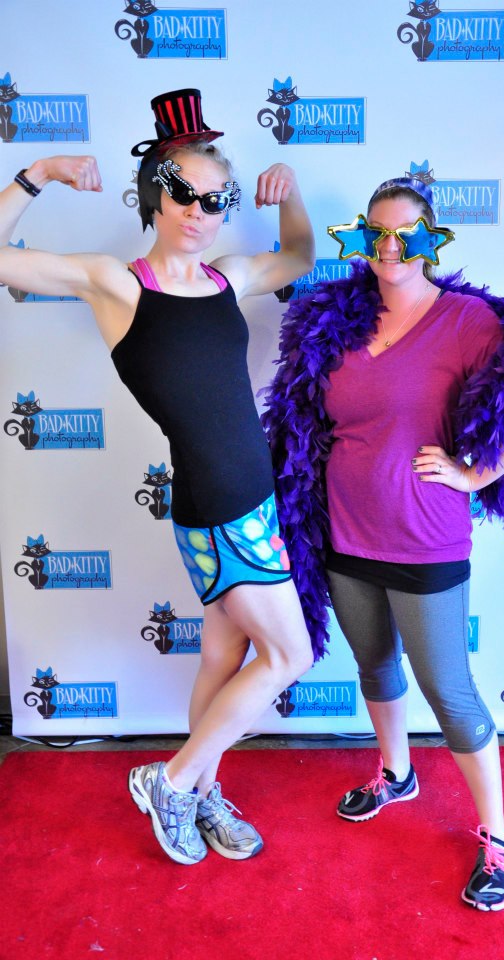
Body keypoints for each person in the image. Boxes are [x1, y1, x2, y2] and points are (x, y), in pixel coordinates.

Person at [0, 89, 315, 866]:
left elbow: (299, 258)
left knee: (223, 657)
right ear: (155, 194)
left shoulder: (228, 277)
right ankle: (171, 781)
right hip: (222, 504)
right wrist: (37, 172)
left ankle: (201, 794)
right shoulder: (117, 283)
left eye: (218, 199)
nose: (201, 211)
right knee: (290, 657)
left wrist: (290, 194)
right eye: (185, 193)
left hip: (248, 500)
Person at [262, 174, 504, 910]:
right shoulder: (335, 318)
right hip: (342, 530)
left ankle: (497, 836)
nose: (389, 247)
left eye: (405, 234)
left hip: (424, 538)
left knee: (448, 689)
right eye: (377, 232)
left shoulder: (467, 320)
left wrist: (477, 474)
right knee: (374, 663)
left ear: (432, 240)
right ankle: (396, 773)